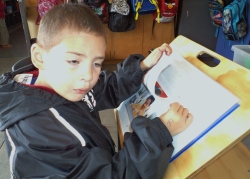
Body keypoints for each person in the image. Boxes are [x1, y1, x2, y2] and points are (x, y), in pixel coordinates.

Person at [0, 3, 193, 179]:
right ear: (39, 57)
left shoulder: (61, 84)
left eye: (97, 63)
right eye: (74, 61)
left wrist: (141, 66)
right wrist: (160, 131)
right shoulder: (37, 133)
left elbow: (106, 87)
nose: (88, 75)